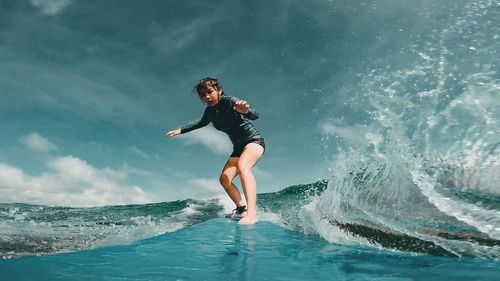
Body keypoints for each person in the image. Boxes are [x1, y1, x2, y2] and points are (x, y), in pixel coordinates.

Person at [166, 77, 265, 225]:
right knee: (224, 179)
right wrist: (181, 130)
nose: (207, 97)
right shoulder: (210, 112)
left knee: (243, 166)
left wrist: (247, 111)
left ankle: (251, 213)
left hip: (253, 141)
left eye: (210, 92)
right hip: (237, 148)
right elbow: (200, 123)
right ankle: (241, 208)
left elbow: (255, 115)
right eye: (203, 95)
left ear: (219, 90)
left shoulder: (230, 101)